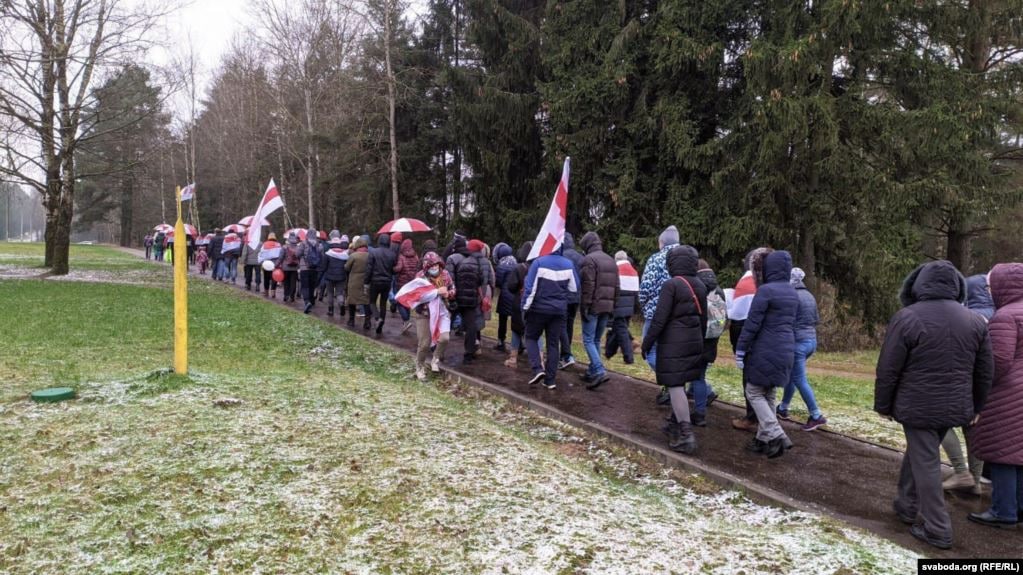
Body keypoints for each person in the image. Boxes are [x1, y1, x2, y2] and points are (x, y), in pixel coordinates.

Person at [875, 260, 993, 550]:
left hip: (917, 406)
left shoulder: (907, 317)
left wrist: (883, 404)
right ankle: (905, 504)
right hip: (955, 406)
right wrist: (977, 406)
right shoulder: (974, 321)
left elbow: (888, 367)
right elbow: (984, 371)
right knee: (920, 453)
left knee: (926, 461)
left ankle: (938, 528)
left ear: (918, 284)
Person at [967, 263, 1023, 530]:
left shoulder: (1005, 317)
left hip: (1007, 395)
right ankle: (1019, 507)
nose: (990, 291)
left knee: (1002, 452)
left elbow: (997, 361)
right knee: (1019, 453)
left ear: (1005, 285)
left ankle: (1003, 510)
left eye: (991, 286)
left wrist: (978, 382)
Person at [642, 245, 706, 453]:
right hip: (694, 340)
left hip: (674, 342)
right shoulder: (700, 284)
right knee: (682, 380)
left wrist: (647, 342)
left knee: (675, 385)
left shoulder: (672, 285)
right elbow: (703, 318)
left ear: (672, 263)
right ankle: (674, 422)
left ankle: (686, 434)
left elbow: (659, 319)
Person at [735, 250, 799, 459]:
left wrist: (741, 349)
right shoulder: (792, 292)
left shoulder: (766, 291)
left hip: (765, 347)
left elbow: (752, 324)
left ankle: (776, 433)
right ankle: (763, 440)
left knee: (753, 391)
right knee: (768, 393)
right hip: (786, 347)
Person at [942, 272, 995, 492]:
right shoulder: (999, 315)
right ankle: (975, 481)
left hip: (961, 379)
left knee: (939, 421)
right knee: (974, 427)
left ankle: (961, 472)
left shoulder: (966, 318)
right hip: (988, 383)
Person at [776, 267, 828, 431]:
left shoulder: (792, 296)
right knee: (793, 375)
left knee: (799, 379)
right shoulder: (809, 295)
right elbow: (816, 319)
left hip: (798, 343)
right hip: (811, 341)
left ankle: (816, 415)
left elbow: (786, 321)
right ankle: (783, 408)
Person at [522, 245, 578, 389]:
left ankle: (537, 369)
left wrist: (525, 308)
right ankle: (550, 380)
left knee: (531, 337)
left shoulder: (538, 262)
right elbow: (574, 288)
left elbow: (530, 289)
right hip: (559, 310)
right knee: (553, 344)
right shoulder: (569, 264)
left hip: (538, 309)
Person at [730, 247, 772, 432]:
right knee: (768, 388)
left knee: (751, 383)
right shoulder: (781, 283)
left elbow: (738, 320)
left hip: (753, 341)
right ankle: (767, 423)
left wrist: (738, 347)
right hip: (775, 340)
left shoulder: (747, 282)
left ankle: (754, 419)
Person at [639, 225, 681, 403]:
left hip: (655, 313)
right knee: (674, 352)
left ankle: (673, 384)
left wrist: (644, 305)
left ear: (662, 242)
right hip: (679, 314)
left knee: (649, 350)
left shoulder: (656, 259)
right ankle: (679, 387)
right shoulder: (686, 258)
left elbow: (646, 288)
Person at [578, 231, 619, 390]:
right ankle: (592, 371)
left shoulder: (589, 260)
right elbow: (617, 286)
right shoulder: (611, 260)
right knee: (595, 339)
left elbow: (588, 286)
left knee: (588, 339)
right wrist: (613, 306)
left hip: (593, 306)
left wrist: (585, 306)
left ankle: (599, 370)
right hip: (607, 307)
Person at [413, 252, 456, 380]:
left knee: (445, 338)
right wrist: (437, 292)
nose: (435, 268)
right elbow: (418, 295)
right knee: (424, 344)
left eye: (436, 265)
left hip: (442, 312)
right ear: (426, 266)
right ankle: (419, 367)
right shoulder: (420, 277)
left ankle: (435, 359)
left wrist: (449, 293)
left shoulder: (445, 274)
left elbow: (452, 287)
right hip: (424, 314)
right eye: (431, 266)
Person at [690, 259, 724, 427]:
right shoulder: (719, 290)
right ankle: (700, 410)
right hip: (712, 340)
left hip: (695, 338)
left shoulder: (695, 288)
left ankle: (698, 414)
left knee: (693, 377)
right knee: (700, 376)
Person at [453, 239, 488, 364]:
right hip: (472, 299)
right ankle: (468, 354)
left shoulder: (463, 262)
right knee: (471, 327)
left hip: (460, 297)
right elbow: (482, 281)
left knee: (451, 321)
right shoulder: (481, 263)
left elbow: (457, 278)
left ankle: (437, 349)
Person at [557, 232, 584, 369]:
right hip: (576, 296)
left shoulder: (560, 257)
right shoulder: (580, 257)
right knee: (569, 325)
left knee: (560, 325)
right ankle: (565, 354)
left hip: (563, 295)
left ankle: (566, 355)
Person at [365, 233, 397, 334]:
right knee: (383, 303)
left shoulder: (373, 252)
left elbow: (369, 268)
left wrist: (366, 281)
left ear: (379, 241)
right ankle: (380, 326)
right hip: (387, 282)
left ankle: (377, 317)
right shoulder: (392, 254)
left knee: (372, 302)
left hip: (375, 281)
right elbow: (393, 269)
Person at [493, 243, 518, 353]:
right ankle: (519, 344)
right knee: (516, 321)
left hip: (505, 296)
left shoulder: (501, 265)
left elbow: (498, 282)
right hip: (516, 296)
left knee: (502, 320)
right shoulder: (516, 263)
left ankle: (501, 342)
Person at [393, 237, 420, 332]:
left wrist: (393, 268)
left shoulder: (401, 256)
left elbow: (399, 268)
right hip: (411, 283)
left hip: (402, 283)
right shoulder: (415, 256)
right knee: (407, 302)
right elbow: (418, 267)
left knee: (399, 301)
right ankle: (406, 322)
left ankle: (406, 320)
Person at [345, 236, 371, 329]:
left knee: (352, 300)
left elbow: (347, 267)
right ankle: (367, 322)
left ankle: (351, 320)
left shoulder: (353, 256)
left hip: (354, 281)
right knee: (366, 301)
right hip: (366, 281)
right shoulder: (369, 255)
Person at [321, 235, 349, 318]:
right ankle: (341, 304)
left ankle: (330, 310)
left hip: (329, 277)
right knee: (339, 293)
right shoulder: (345, 255)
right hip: (341, 277)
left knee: (330, 293)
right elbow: (346, 267)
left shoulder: (328, 254)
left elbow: (324, 267)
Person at [296, 228, 323, 314]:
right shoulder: (319, 244)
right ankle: (312, 301)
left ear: (307, 234)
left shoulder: (303, 243)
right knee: (312, 286)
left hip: (304, 268)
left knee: (305, 286)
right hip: (315, 269)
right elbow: (321, 257)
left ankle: (307, 302)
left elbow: (297, 254)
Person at [277, 232, 301, 303]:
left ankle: (286, 295)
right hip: (295, 268)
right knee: (293, 282)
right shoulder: (298, 248)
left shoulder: (284, 247)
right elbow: (299, 257)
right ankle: (292, 297)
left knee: (286, 282)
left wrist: (276, 265)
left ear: (289, 238)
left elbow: (280, 258)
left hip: (286, 268)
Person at [258, 232, 282, 297]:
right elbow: (281, 255)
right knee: (274, 277)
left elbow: (261, 254)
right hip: (275, 263)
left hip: (266, 263)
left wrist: (261, 262)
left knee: (266, 277)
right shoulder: (278, 244)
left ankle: (266, 292)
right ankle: (273, 292)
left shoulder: (265, 244)